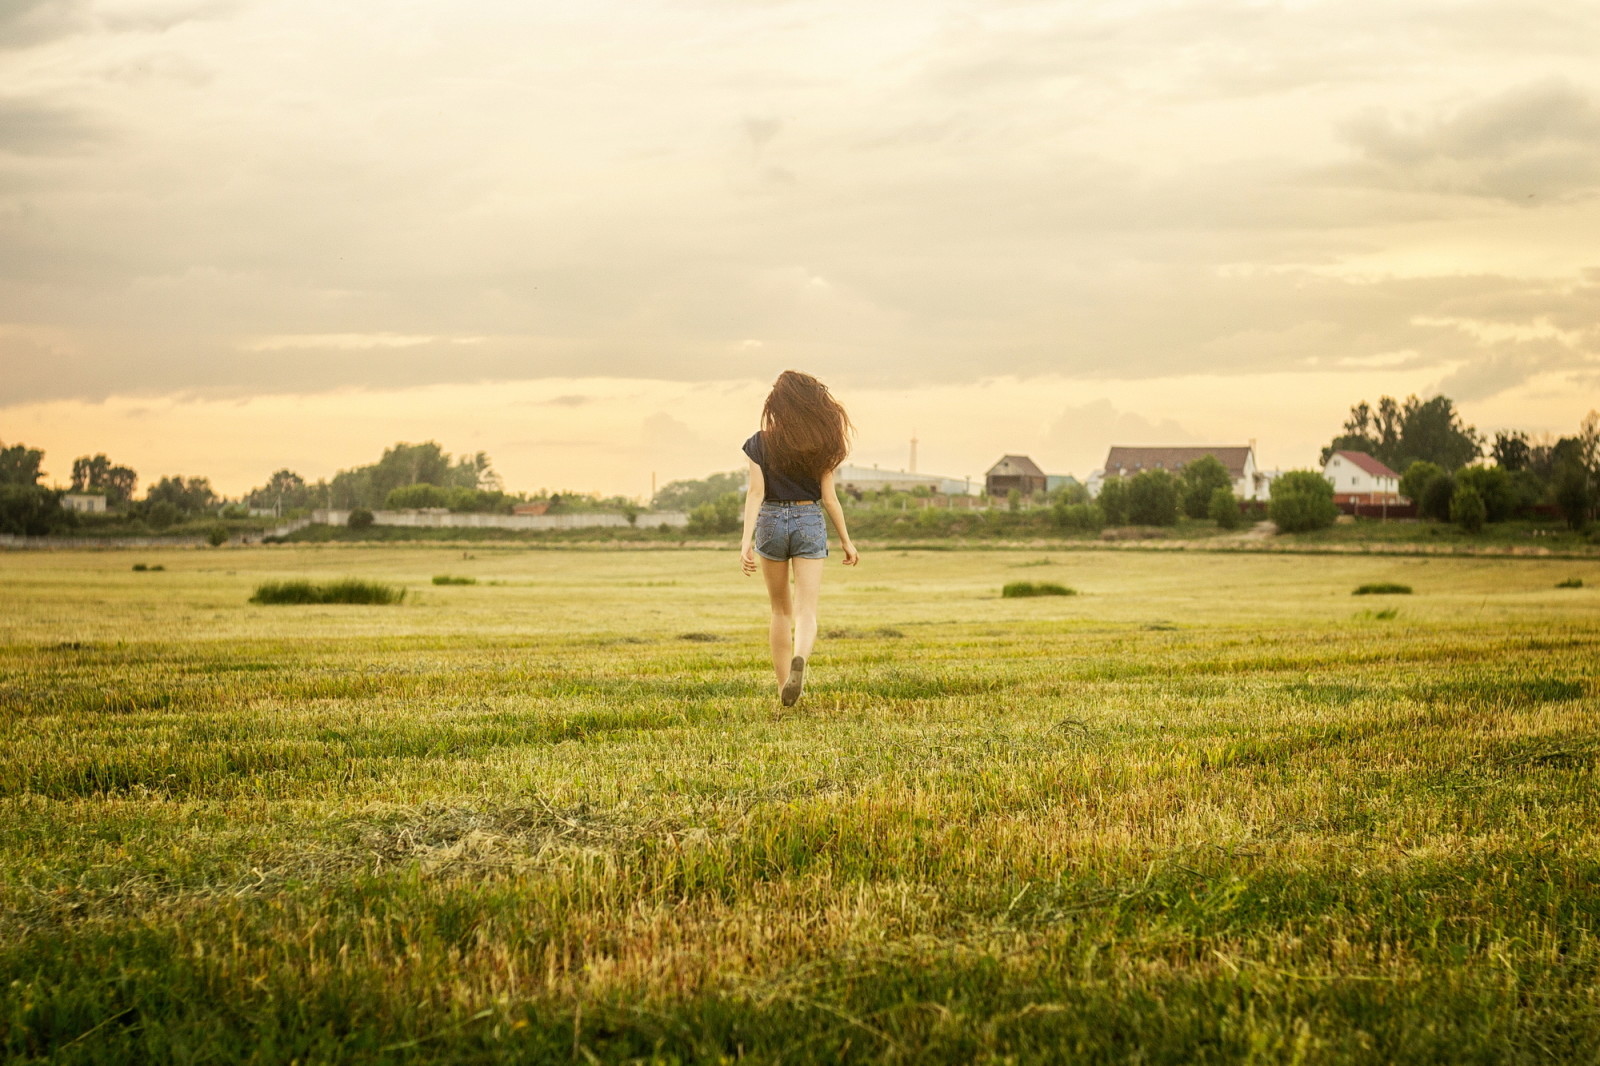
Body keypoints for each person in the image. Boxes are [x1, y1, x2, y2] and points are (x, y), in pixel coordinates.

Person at [739, 371, 859, 706]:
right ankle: (801, 658)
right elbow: (830, 498)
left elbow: (755, 493)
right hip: (809, 518)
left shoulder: (759, 442)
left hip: (771, 521)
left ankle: (783, 690)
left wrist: (745, 541)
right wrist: (846, 541)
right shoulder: (821, 444)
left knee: (780, 610)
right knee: (807, 610)